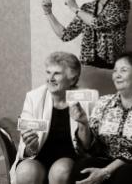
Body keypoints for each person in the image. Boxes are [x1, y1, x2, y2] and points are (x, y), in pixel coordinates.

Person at [70, 52, 132, 184]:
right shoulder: (103, 102)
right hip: (106, 159)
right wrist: (83, 124)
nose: (116, 75)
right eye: (115, 71)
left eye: (123, 70)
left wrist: (105, 171)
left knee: (126, 174)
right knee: (83, 167)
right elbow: (88, 148)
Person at [9, 52, 84, 184]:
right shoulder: (33, 97)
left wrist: (84, 124)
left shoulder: (84, 100)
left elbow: (89, 146)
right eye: (48, 72)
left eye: (57, 73)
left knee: (60, 170)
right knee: (26, 171)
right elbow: (25, 146)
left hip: (68, 158)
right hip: (38, 156)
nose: (50, 78)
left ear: (72, 79)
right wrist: (30, 147)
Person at [42, 0, 130, 69]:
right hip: (87, 66)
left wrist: (75, 9)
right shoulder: (87, 7)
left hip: (112, 67)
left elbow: (100, 24)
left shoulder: (122, 4)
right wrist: (48, 13)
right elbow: (65, 35)